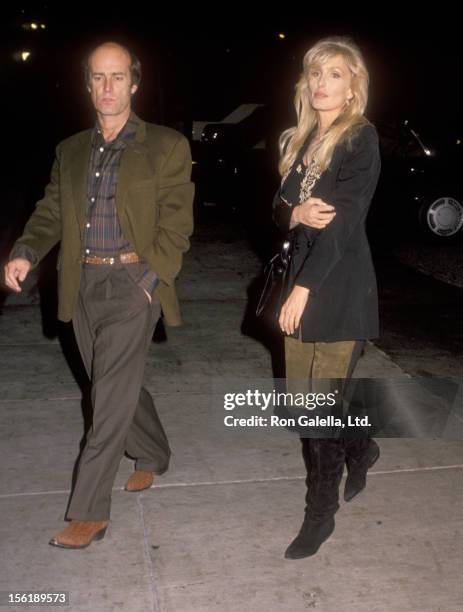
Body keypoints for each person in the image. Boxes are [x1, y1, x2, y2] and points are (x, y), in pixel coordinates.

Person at [3, 41, 194, 549]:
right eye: (98, 77)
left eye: (117, 77)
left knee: (105, 402)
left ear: (134, 82)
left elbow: (177, 225)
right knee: (115, 385)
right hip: (82, 284)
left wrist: (147, 283)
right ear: (87, 85)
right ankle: (154, 451)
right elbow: (49, 212)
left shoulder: (166, 145)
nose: (108, 87)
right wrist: (26, 249)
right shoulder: (70, 151)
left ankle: (88, 512)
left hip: (133, 284)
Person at [272, 36, 381, 559]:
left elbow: (343, 225)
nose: (322, 83)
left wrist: (303, 288)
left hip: (337, 292)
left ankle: (320, 515)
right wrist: (293, 214)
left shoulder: (360, 139)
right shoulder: (300, 139)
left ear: (352, 85)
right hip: (303, 283)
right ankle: (362, 444)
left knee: (318, 414)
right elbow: (276, 209)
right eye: (315, 73)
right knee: (303, 405)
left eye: (334, 74)